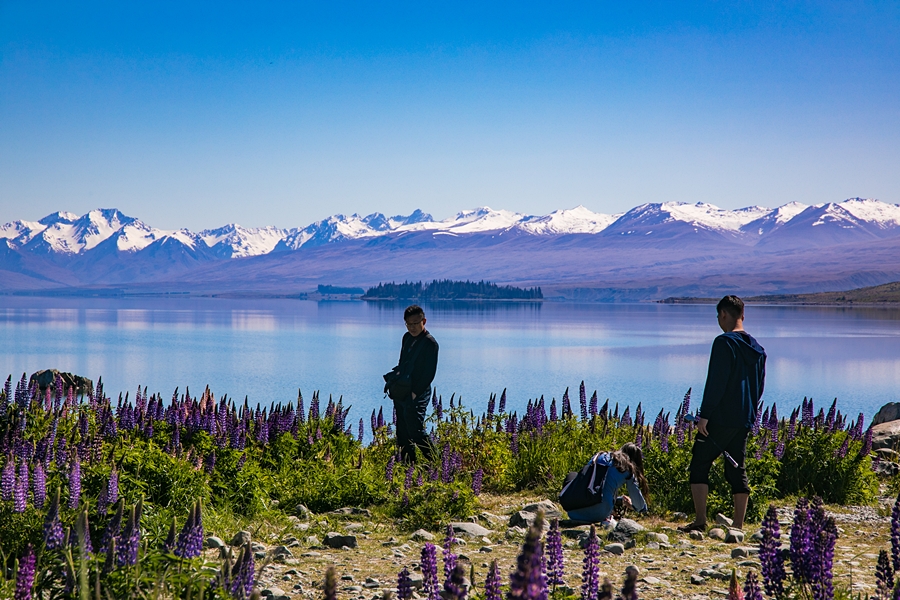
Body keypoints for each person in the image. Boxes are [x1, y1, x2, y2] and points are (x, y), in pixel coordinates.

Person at [679, 295, 766, 533]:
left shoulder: (723, 343)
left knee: (699, 463)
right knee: (737, 468)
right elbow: (759, 387)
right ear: (743, 315)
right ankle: (738, 525)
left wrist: (704, 415)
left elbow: (716, 382)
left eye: (719, 316)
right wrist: (750, 413)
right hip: (744, 418)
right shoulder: (758, 349)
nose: (719, 320)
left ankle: (700, 520)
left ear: (724, 315)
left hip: (719, 418)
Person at [387, 305, 439, 462]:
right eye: (408, 324)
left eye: (416, 323)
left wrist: (415, 393)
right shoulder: (406, 337)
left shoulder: (430, 343)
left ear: (424, 321)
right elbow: (402, 362)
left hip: (419, 391)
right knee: (402, 432)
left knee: (416, 431)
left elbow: (429, 374)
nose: (412, 327)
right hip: (402, 389)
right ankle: (408, 466)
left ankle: (438, 464)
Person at [563, 442, 649, 526]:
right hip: (600, 514)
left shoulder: (598, 456)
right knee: (612, 490)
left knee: (572, 475)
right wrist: (635, 506)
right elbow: (639, 505)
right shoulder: (627, 469)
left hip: (573, 511)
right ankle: (607, 516)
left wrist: (619, 499)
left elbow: (593, 486)